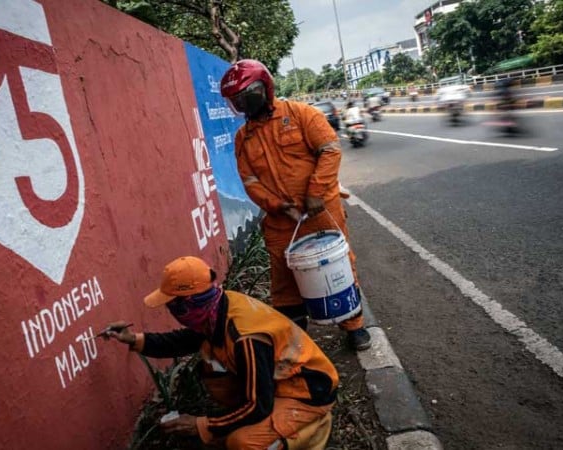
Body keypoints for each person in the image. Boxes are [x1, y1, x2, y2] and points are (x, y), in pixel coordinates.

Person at [103, 256, 337, 449]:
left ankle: (312, 428)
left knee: (241, 443)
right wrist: (134, 340)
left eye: (172, 305)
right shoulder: (217, 308)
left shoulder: (246, 339)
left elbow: (259, 406)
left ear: (188, 303)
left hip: (307, 393)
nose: (171, 310)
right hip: (278, 385)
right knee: (210, 356)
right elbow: (183, 341)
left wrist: (202, 425)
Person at [219, 59, 371, 351]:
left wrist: (315, 192)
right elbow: (250, 181)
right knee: (284, 282)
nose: (239, 104)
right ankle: (294, 340)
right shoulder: (243, 138)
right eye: (234, 100)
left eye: (242, 97)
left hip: (320, 212)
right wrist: (278, 205)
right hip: (280, 221)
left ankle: (354, 328)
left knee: (338, 267)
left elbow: (329, 150)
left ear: (262, 89)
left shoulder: (301, 114)